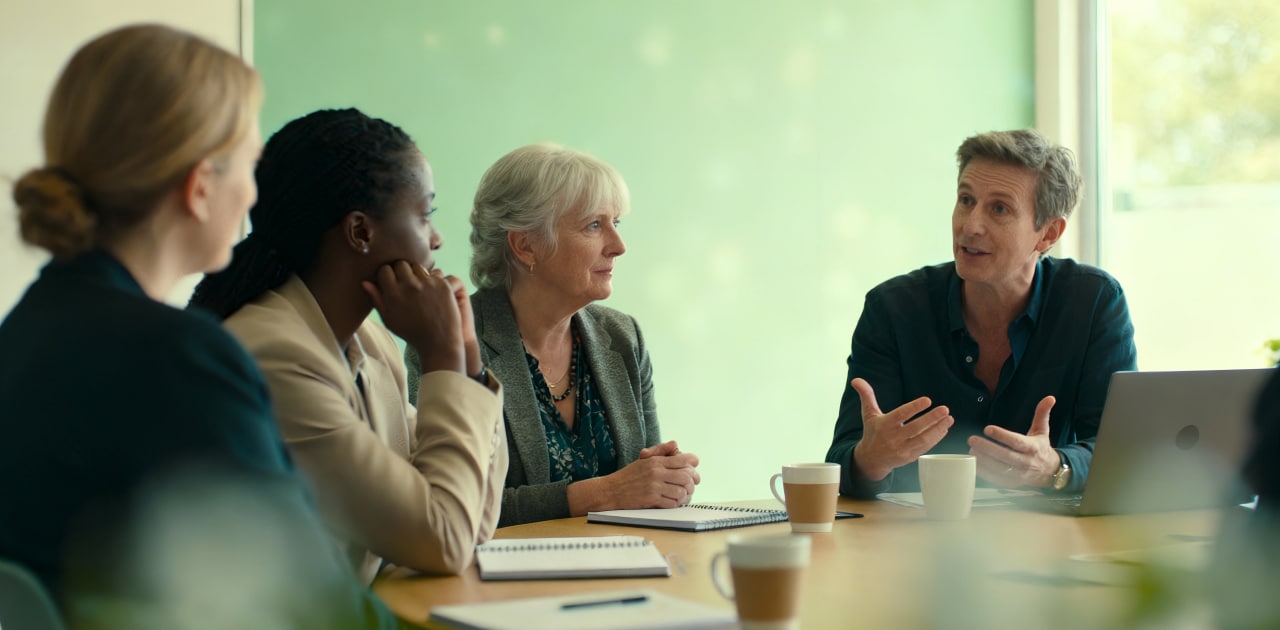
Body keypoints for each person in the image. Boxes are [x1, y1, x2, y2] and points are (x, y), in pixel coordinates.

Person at [0, 24, 408, 628]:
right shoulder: (179, 359)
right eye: (249, 164)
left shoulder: (24, 331)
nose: (251, 197)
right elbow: (319, 610)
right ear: (198, 187)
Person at [188, 108, 507, 584]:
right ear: (360, 231)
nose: (437, 239)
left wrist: (468, 362)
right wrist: (440, 358)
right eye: (425, 216)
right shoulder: (274, 355)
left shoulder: (370, 342)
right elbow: (444, 539)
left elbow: (471, 525)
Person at [826, 129, 1137, 498]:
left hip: (1048, 540)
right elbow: (842, 464)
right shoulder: (892, 310)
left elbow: (1122, 455)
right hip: (914, 542)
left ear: (1048, 234)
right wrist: (869, 459)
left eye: (999, 208)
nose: (970, 226)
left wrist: (1055, 467)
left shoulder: (1095, 303)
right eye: (966, 200)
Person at [405, 143, 700, 526]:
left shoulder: (623, 335)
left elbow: (644, 487)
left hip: (623, 566)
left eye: (616, 223)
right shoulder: (451, 341)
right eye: (594, 225)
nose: (618, 246)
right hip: (501, 581)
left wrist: (668, 481)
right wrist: (605, 493)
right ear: (526, 244)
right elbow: (447, 508)